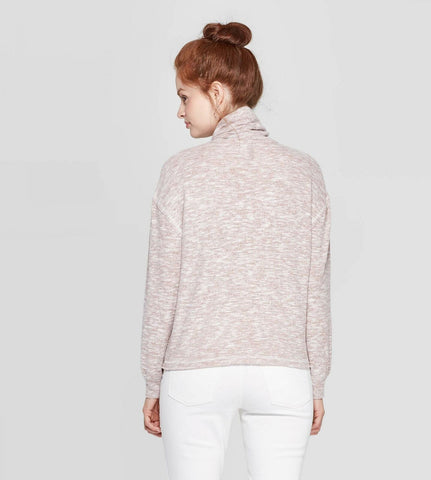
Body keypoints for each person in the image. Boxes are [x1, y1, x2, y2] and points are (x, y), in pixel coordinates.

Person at [140, 21, 332, 480]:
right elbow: (316, 288)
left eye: (185, 97)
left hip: (195, 372)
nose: (180, 111)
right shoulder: (304, 172)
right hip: (283, 372)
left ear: (217, 92)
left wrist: (152, 379)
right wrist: (317, 381)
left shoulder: (180, 173)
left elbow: (162, 286)